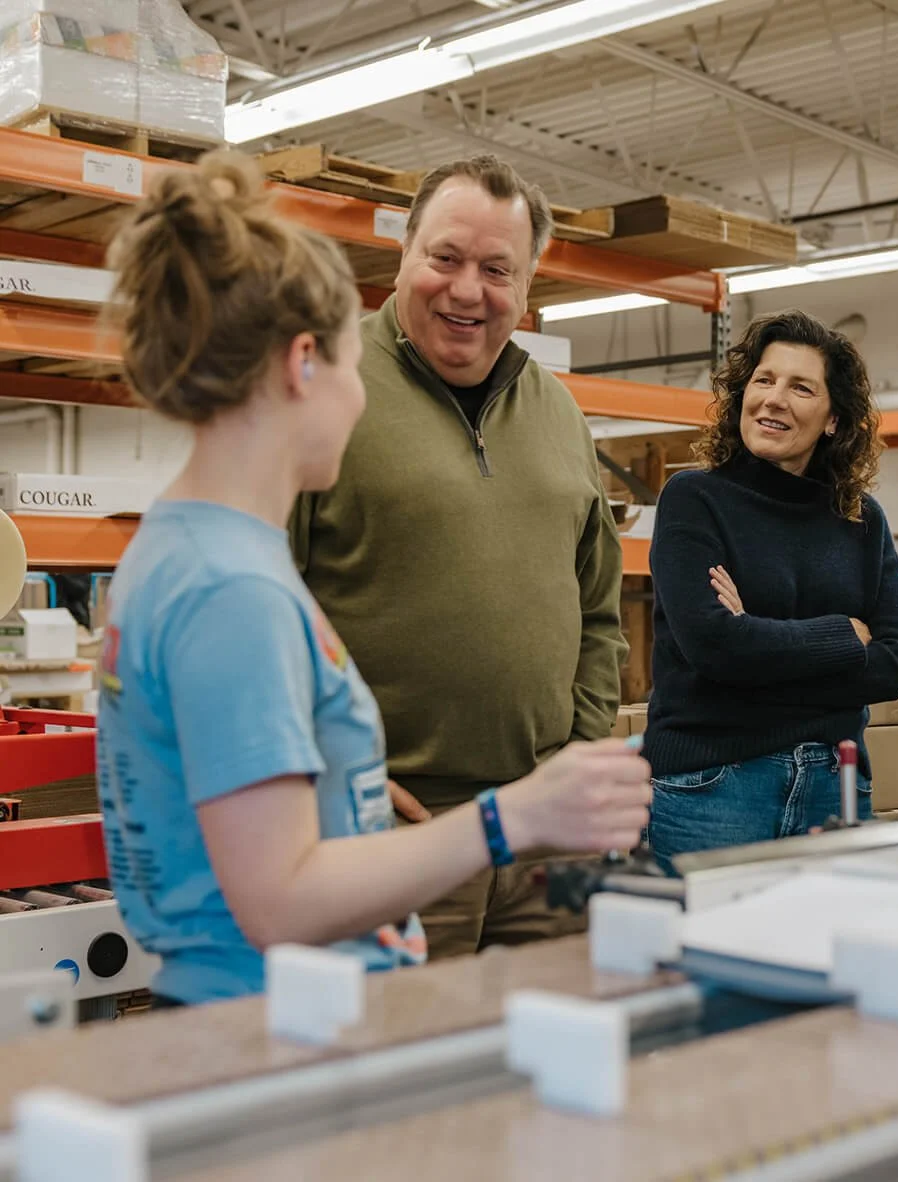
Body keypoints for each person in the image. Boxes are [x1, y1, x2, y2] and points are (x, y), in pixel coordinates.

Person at [95, 152, 650, 1006]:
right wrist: (512, 820)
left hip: (289, 997)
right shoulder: (228, 591)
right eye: (358, 367)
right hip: (269, 1023)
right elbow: (279, 898)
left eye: (497, 268)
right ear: (302, 366)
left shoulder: (196, 557)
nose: (364, 398)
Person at [289, 156, 627, 957]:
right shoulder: (328, 387)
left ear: (527, 285)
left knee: (550, 1056)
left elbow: (600, 606)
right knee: (402, 1064)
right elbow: (265, 600)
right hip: (394, 830)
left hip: (545, 830)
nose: (468, 290)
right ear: (405, 253)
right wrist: (332, 775)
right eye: (445, 258)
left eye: (496, 269)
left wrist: (574, 749)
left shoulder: (556, 411)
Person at [644, 310, 898, 875]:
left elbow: (890, 667)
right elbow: (714, 647)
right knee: (705, 958)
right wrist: (843, 636)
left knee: (825, 956)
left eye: (800, 387)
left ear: (834, 419)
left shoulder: (861, 520)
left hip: (831, 782)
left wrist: (755, 636)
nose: (773, 399)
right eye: (763, 381)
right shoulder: (695, 499)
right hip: (713, 786)